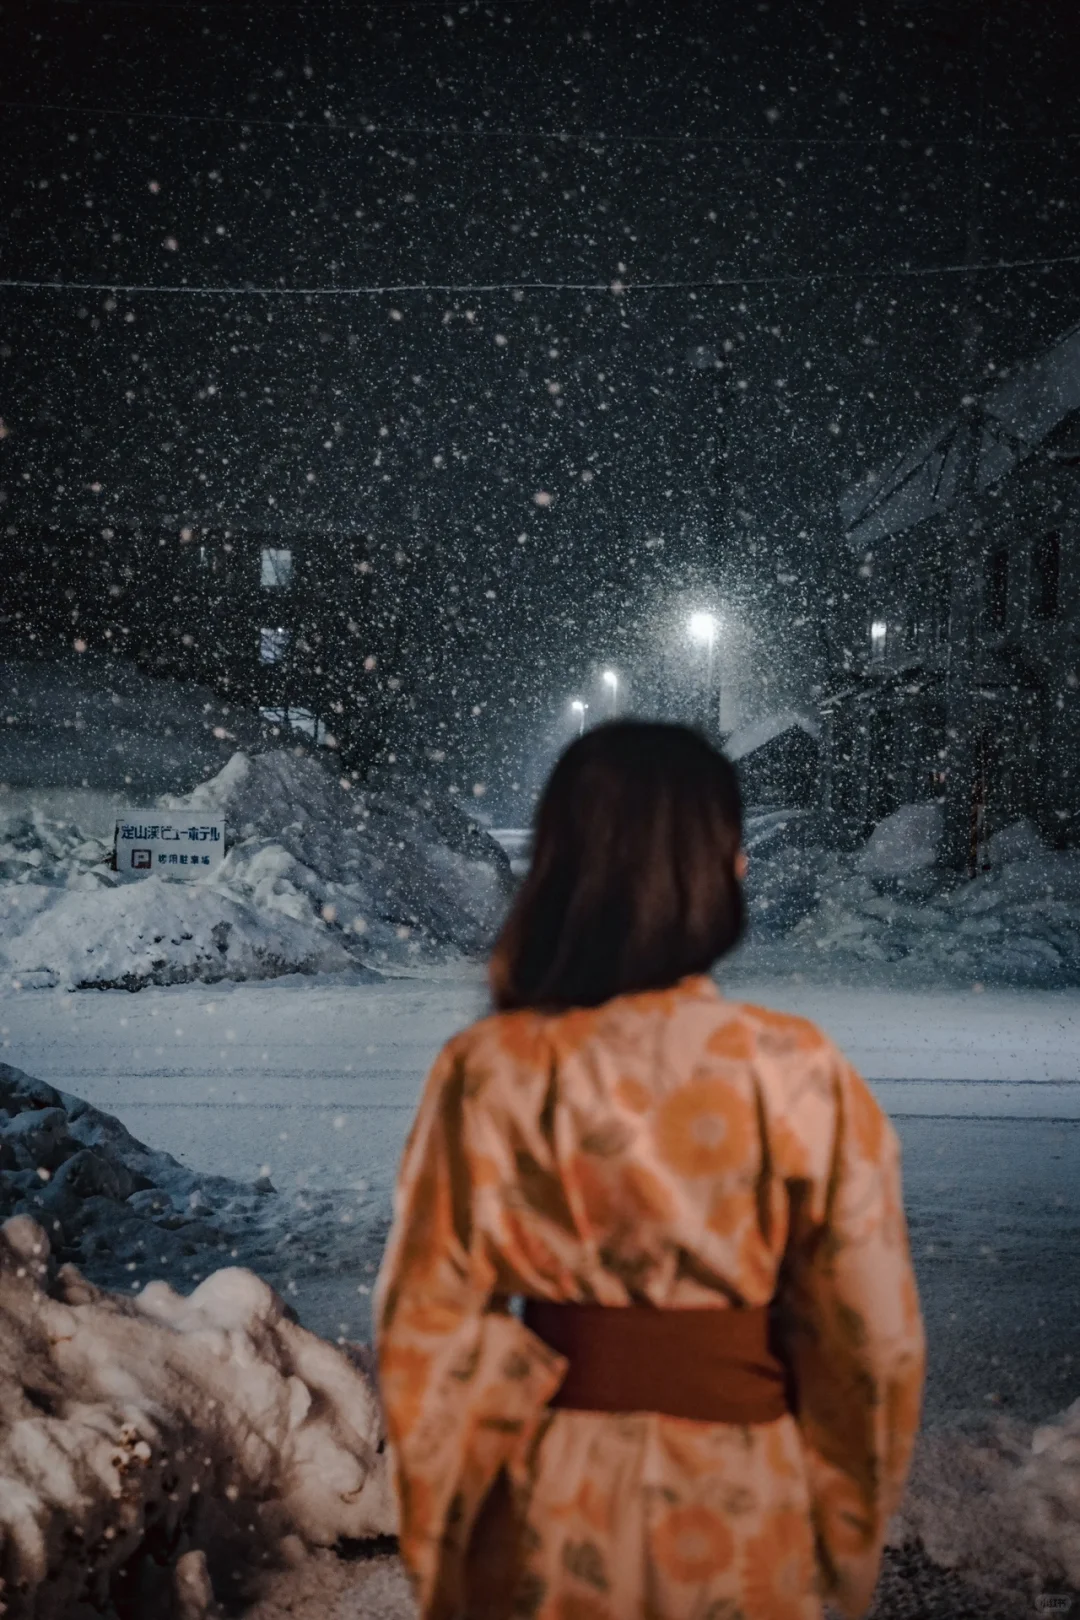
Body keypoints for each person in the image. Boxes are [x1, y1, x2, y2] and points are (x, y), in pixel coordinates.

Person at [377, 721, 925, 1620]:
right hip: (744, 1495)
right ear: (714, 872)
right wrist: (839, 1532)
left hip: (552, 1492)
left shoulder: (497, 1066)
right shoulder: (792, 1070)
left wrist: (456, 1545)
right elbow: (870, 1344)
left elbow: (425, 1332)